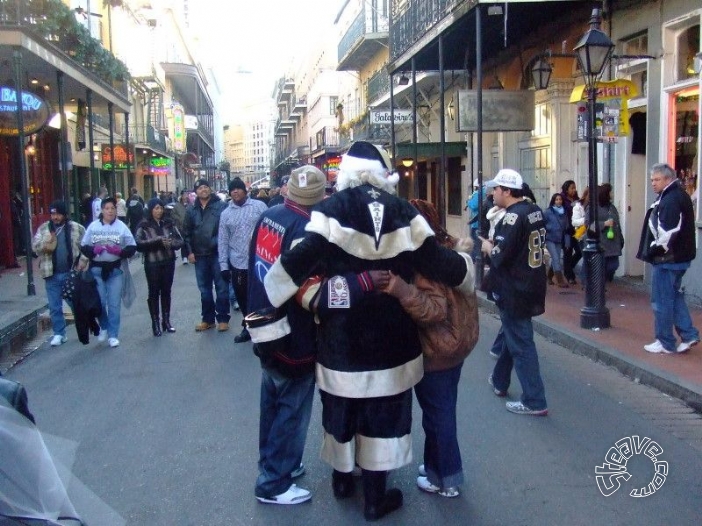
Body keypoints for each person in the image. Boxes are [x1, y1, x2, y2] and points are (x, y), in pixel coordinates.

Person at [263, 141, 473, 521]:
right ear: (384, 174)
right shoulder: (403, 211)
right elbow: (437, 262)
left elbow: (294, 264)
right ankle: (376, 498)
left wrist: (272, 293)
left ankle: (343, 480)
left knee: (341, 410)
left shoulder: (330, 210)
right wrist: (467, 270)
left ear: (345, 172)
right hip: (392, 343)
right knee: (385, 415)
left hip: (341, 341)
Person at [379, 199, 478, 499]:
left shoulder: (426, 263)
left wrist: (401, 290)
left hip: (438, 349)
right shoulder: (446, 248)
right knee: (441, 411)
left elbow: (433, 310)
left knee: (438, 415)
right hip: (456, 344)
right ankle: (435, 467)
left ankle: (446, 478)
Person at [247, 165, 327, 505]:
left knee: (272, 400)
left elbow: (255, 263)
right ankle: (274, 483)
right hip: (292, 330)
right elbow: (308, 286)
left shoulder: (271, 215)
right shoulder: (306, 228)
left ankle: (276, 464)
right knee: (292, 408)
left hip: (262, 321)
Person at [480, 168, 548, 416]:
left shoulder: (512, 217)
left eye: (496, 189)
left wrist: (488, 246)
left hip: (515, 287)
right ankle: (499, 381)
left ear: (507, 191)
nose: (493, 193)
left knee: (521, 342)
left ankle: (534, 400)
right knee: (514, 335)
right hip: (531, 283)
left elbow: (499, 255)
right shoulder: (534, 211)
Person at [638, 163, 700, 354]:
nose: (653, 184)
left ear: (667, 179)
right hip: (677, 258)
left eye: (656, 180)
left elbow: (667, 233)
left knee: (662, 301)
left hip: (668, 260)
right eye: (651, 180)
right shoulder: (678, 196)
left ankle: (665, 341)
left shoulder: (671, 199)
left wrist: (653, 250)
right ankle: (689, 335)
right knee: (674, 298)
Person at [81, 197, 137, 347]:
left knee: (114, 304)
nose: (110, 211)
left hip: (115, 270)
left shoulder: (121, 227)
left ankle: (113, 334)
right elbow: (84, 246)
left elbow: (132, 247)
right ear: (102, 210)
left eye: (112, 208)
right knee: (99, 302)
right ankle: (104, 326)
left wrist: (120, 252)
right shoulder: (93, 226)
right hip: (97, 269)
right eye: (107, 208)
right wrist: (93, 251)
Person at [31, 200, 88, 347]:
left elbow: (87, 246)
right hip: (51, 273)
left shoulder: (76, 228)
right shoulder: (44, 229)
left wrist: (83, 260)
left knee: (75, 303)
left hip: (71, 273)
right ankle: (59, 333)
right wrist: (46, 242)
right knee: (54, 306)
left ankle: (82, 328)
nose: (55, 217)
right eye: (52, 214)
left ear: (64, 214)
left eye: (58, 214)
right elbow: (35, 247)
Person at [218, 177, 268, 341]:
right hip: (237, 262)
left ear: (245, 191)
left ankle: (263, 325)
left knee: (261, 295)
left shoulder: (259, 206)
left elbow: (269, 228)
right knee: (242, 297)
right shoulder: (226, 214)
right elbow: (223, 240)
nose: (235, 191)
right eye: (232, 189)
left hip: (259, 259)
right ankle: (248, 327)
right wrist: (224, 265)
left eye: (238, 189)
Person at [183, 178, 229, 332]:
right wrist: (189, 252)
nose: (203, 189)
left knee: (222, 287)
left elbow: (226, 230)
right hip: (199, 255)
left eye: (206, 187)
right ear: (196, 191)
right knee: (204, 289)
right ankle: (207, 319)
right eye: (200, 188)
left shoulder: (221, 206)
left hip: (217, 253)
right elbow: (187, 233)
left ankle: (223, 318)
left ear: (210, 189)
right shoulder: (191, 210)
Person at [135, 198, 184, 336]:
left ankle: (166, 321)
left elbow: (180, 240)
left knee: (166, 291)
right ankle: (155, 322)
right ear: (151, 210)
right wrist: (156, 241)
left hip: (168, 261)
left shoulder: (168, 223)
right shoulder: (144, 225)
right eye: (156, 208)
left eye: (161, 208)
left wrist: (171, 243)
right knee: (154, 292)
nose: (159, 211)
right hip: (152, 263)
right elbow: (138, 243)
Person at [590, 183, 623, 282]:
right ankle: (599, 284)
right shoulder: (593, 208)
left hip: (613, 241)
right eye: (610, 192)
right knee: (603, 266)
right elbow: (589, 224)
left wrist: (621, 238)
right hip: (602, 241)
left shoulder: (612, 207)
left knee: (614, 265)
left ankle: (604, 280)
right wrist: (604, 224)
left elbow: (617, 223)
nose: (612, 194)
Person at [543, 193, 569, 288]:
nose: (559, 201)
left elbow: (566, 227)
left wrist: (567, 240)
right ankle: (560, 280)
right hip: (549, 238)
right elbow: (542, 223)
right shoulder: (548, 212)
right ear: (553, 201)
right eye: (557, 199)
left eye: (560, 199)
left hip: (559, 238)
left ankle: (549, 276)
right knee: (555, 258)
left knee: (556, 258)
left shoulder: (564, 212)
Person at [560, 180, 581, 285]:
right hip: (566, 230)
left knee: (579, 251)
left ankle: (568, 268)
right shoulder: (561, 199)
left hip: (576, 229)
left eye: (575, 187)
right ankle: (569, 276)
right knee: (567, 252)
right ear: (566, 189)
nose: (574, 190)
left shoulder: (577, 199)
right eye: (572, 188)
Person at [171, 191, 191, 265]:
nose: (186, 196)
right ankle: (184, 257)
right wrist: (178, 219)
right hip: (181, 227)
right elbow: (172, 214)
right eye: (185, 195)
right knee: (183, 242)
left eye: (187, 195)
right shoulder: (177, 206)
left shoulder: (190, 205)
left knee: (189, 241)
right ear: (182, 196)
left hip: (190, 226)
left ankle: (190, 254)